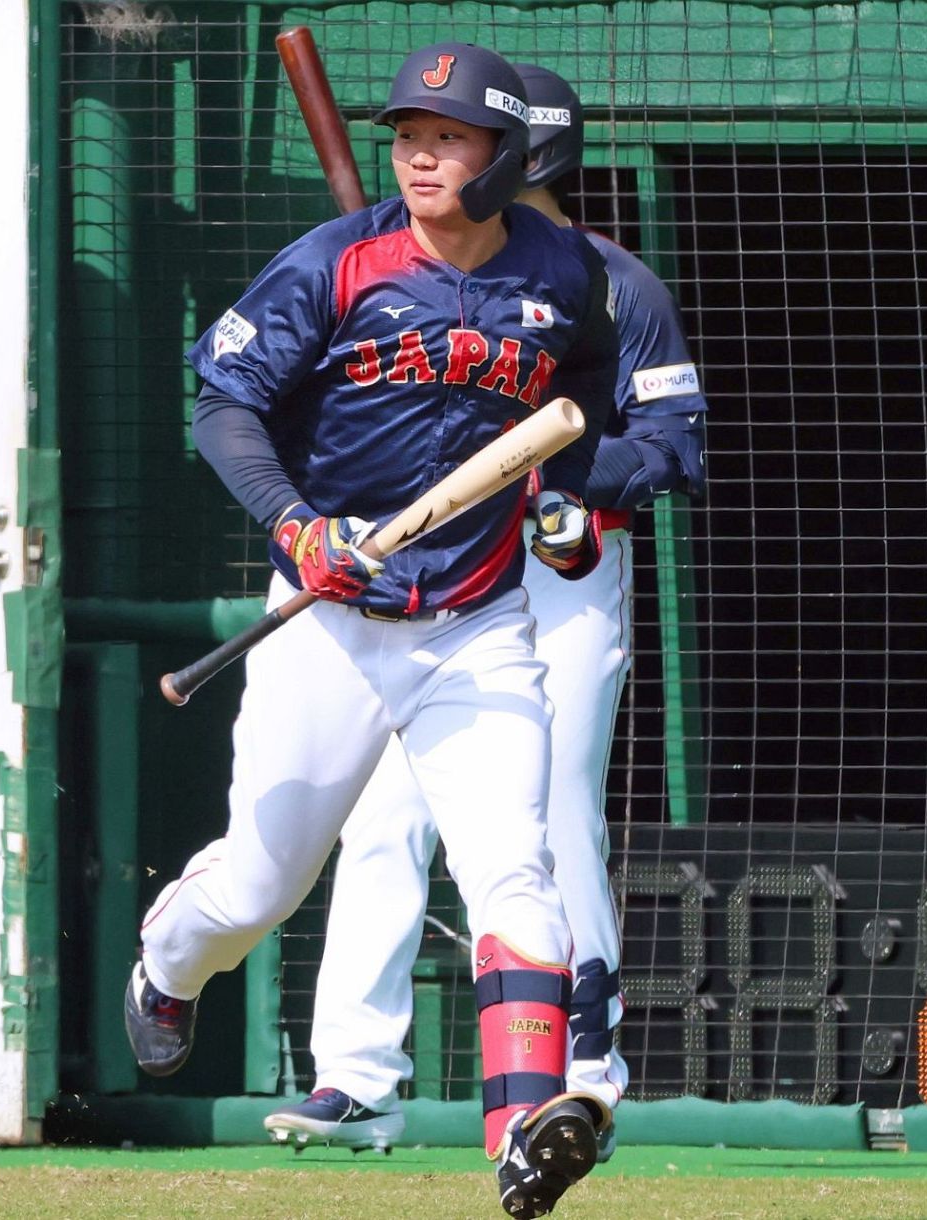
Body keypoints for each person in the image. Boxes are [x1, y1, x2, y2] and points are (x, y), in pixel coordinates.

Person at [123, 43, 622, 1220]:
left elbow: (586, 389)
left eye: (448, 136)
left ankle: (522, 1134)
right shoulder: (334, 264)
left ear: (507, 159)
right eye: (407, 131)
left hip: (477, 618)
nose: (418, 151)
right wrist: (298, 526)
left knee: (516, 866)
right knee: (257, 888)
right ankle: (165, 957)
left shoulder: (564, 271)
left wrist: (562, 494)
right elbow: (224, 404)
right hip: (330, 619)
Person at [262, 62, 709, 1166]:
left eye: (467, 143)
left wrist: (542, 472)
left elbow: (675, 449)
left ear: (516, 156)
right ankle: (359, 1079)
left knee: (549, 821)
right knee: (379, 817)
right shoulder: (393, 267)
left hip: (557, 570)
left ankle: (579, 1082)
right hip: (420, 576)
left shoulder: (612, 283)